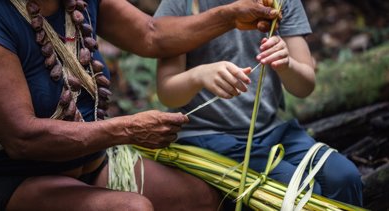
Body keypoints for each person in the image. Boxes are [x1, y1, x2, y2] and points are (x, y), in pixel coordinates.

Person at [0, 0, 280, 210]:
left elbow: (151, 33)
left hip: (93, 163)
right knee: (133, 209)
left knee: (205, 199)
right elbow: (22, 137)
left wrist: (229, 16)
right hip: (18, 178)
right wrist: (128, 129)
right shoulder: (0, 17)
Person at [155, 0, 363, 208]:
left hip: (271, 130)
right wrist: (199, 76)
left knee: (344, 177)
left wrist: (286, 64)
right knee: (298, 192)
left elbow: (305, 86)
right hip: (205, 135)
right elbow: (167, 93)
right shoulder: (180, 4)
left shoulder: (280, 2)